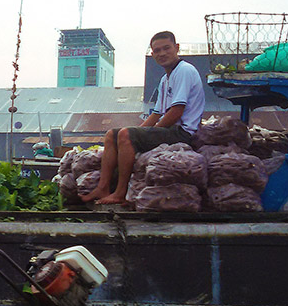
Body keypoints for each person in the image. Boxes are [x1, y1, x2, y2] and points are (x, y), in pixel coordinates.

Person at [83, 31, 206, 205]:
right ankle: (103, 187)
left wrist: (145, 133)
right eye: (157, 51)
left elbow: (176, 111)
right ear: (153, 54)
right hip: (170, 130)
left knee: (126, 135)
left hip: (183, 132)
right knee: (113, 134)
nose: (162, 53)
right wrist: (141, 131)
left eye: (166, 48)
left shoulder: (184, 71)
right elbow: (156, 113)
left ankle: (120, 193)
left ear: (176, 48)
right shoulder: (165, 79)